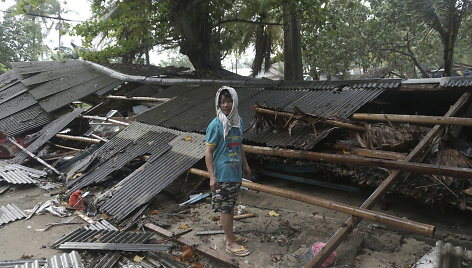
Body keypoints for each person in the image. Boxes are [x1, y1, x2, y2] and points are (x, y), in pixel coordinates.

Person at [205, 86, 252, 257]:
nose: (225, 105)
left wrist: (245, 166)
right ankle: (230, 243)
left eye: (229, 101)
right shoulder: (215, 125)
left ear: (235, 101)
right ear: (218, 104)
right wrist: (212, 177)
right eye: (222, 102)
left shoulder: (238, 121)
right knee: (225, 209)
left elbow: (239, 145)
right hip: (223, 173)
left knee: (230, 206)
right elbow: (208, 153)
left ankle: (228, 237)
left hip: (235, 172)